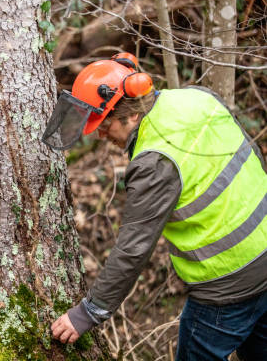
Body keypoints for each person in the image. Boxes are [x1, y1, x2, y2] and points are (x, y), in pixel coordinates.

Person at [43, 53, 267, 361]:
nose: (100, 133)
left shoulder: (154, 161)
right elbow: (253, 155)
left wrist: (88, 313)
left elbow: (133, 249)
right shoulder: (196, 98)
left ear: (131, 115)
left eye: (104, 123)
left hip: (227, 285)